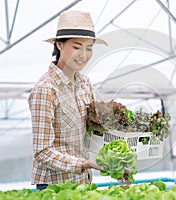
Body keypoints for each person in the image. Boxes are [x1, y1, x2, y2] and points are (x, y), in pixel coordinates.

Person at [28, 10, 108, 190]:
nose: (83, 55)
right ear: (59, 45)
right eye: (77, 46)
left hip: (83, 183)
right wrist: (84, 164)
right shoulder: (46, 89)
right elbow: (42, 151)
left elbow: (101, 125)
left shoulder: (85, 84)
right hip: (55, 187)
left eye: (89, 48)